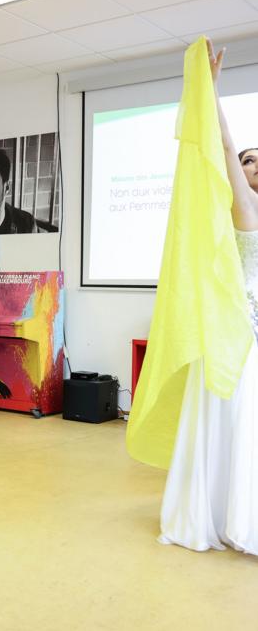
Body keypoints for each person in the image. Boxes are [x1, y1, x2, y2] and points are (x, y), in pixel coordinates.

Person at [156, 40, 258, 554]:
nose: (253, 166)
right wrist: (211, 91)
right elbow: (222, 144)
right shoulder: (245, 210)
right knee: (232, 421)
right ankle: (222, 512)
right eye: (248, 161)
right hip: (235, 330)